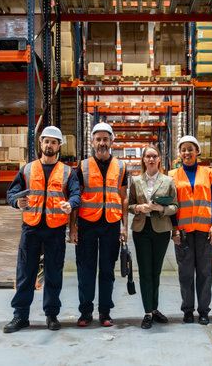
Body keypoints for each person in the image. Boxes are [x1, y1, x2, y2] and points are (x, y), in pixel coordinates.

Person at [4, 126, 81, 333]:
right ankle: (20, 315)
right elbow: (11, 193)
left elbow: (76, 195)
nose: (49, 145)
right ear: (41, 144)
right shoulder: (28, 169)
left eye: (53, 142)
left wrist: (70, 205)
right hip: (31, 228)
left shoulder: (67, 171)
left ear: (59, 146)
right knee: (25, 273)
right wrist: (16, 202)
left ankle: (51, 314)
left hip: (55, 230)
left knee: (53, 273)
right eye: (46, 141)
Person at [70, 122, 128, 328]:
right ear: (92, 142)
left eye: (106, 139)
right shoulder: (83, 166)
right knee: (85, 269)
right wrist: (73, 227)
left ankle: (105, 312)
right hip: (87, 224)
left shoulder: (121, 166)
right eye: (99, 139)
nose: (102, 143)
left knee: (107, 270)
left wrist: (124, 226)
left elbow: (123, 198)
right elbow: (76, 198)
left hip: (111, 224)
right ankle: (85, 312)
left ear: (112, 141)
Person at [169, 135, 212, 325]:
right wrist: (174, 229)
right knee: (186, 273)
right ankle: (188, 310)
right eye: (183, 149)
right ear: (179, 153)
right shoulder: (172, 175)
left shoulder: (208, 173)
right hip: (183, 232)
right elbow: (172, 204)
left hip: (205, 230)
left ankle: (204, 311)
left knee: (205, 272)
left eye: (190, 149)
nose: (187, 152)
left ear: (197, 151)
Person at [128, 145, 178, 329]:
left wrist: (161, 209)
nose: (151, 159)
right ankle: (148, 312)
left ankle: (154, 308)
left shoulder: (168, 181)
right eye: (148, 156)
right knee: (145, 271)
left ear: (159, 159)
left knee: (156, 271)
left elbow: (175, 206)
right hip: (142, 230)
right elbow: (129, 205)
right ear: (143, 159)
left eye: (154, 156)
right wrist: (138, 208)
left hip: (161, 230)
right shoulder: (135, 181)